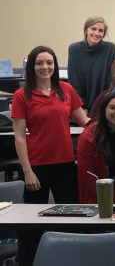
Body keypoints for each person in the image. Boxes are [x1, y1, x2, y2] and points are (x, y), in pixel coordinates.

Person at [12, 46, 89, 204]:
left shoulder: (66, 89)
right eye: (39, 63)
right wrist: (27, 172)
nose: (45, 67)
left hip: (65, 163)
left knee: (69, 215)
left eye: (49, 62)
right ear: (32, 66)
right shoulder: (21, 95)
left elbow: (86, 122)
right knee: (34, 219)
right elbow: (19, 137)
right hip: (35, 165)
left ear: (55, 65)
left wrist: (111, 123)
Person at [77, 91, 115, 204]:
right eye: (113, 108)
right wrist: (106, 197)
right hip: (96, 193)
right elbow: (87, 174)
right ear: (104, 110)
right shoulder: (88, 137)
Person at [68, 15, 115, 115]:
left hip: (104, 105)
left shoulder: (110, 48)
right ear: (86, 30)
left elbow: (112, 80)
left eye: (101, 30)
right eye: (93, 29)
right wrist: (81, 106)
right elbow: (74, 80)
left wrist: (104, 104)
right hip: (82, 106)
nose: (97, 33)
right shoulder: (74, 49)